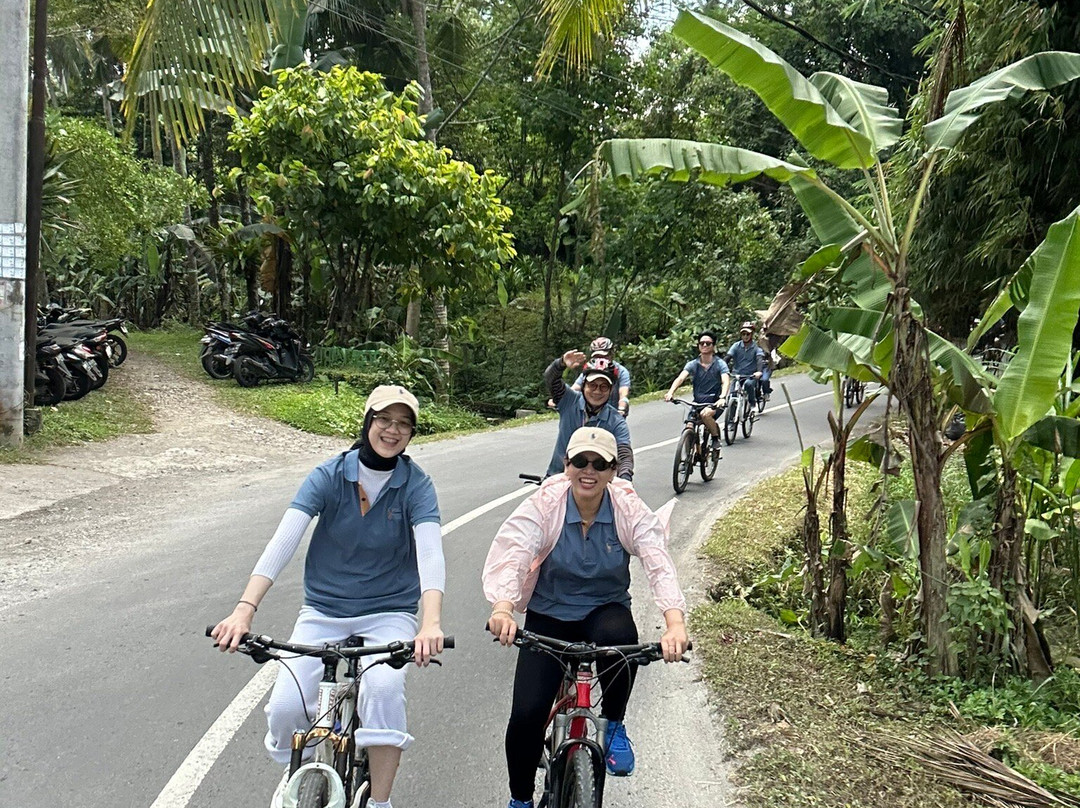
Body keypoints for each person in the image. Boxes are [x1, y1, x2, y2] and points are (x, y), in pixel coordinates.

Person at [210, 385, 446, 808]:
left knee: (385, 688)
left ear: (411, 434)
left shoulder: (416, 485)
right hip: (323, 611)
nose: (392, 431)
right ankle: (295, 773)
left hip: (388, 613)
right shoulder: (329, 475)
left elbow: (430, 554)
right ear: (367, 422)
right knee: (284, 708)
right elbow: (283, 542)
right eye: (384, 420)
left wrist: (429, 623)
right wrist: (243, 611)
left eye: (403, 424)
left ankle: (380, 802)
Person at [484, 428, 690, 808]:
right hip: (549, 614)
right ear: (567, 465)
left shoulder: (627, 508)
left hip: (603, 609)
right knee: (528, 714)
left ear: (613, 471)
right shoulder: (546, 504)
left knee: (622, 641)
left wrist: (674, 623)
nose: (588, 470)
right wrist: (503, 608)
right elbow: (515, 551)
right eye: (580, 461)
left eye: (599, 463)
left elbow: (658, 562)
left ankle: (613, 725)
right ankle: (520, 800)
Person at [544, 349, 633, 481]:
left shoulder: (616, 421)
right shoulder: (569, 400)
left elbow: (624, 454)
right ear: (584, 385)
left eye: (603, 387)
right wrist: (561, 363)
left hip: (595, 485)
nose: (597, 391)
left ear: (610, 390)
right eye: (592, 385)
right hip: (558, 478)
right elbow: (551, 380)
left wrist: (625, 481)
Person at [663, 330, 731, 453]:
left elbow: (725, 381)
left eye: (708, 343)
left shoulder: (720, 364)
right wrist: (671, 392)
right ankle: (689, 457)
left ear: (713, 346)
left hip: (715, 403)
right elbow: (681, 378)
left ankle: (715, 438)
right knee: (689, 426)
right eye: (702, 343)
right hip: (698, 403)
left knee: (705, 415)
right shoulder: (693, 364)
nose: (704, 345)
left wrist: (722, 397)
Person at [570, 337, 632, 416]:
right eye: (597, 356)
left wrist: (622, 408)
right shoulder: (589, 370)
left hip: (614, 415)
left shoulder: (622, 371)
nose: (600, 359)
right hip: (591, 413)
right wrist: (561, 398)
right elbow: (575, 388)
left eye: (604, 356)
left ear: (611, 354)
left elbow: (623, 393)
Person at [725, 321, 766, 408]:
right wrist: (722, 369)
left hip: (751, 375)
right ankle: (731, 418)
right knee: (732, 394)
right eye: (743, 334)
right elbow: (728, 357)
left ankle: (752, 404)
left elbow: (759, 359)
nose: (745, 336)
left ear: (751, 335)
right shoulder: (736, 346)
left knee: (748, 384)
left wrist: (759, 371)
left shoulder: (756, 347)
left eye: (748, 334)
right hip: (738, 374)